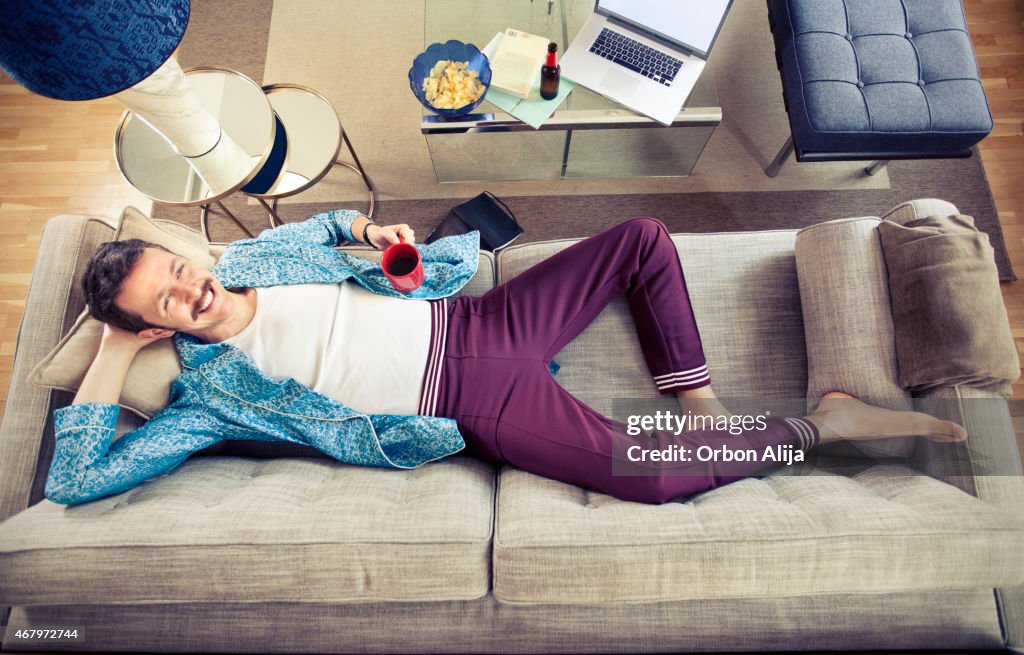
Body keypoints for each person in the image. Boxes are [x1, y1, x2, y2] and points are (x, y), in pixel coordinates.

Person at [46, 210, 967, 506]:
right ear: (156, 326)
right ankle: (823, 424)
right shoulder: (207, 398)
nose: (186, 289)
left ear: (190, 253)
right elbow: (79, 479)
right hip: (464, 400)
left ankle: (696, 402)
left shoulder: (252, 253)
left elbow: (331, 224)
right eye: (160, 303)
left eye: (177, 268)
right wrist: (113, 348)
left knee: (642, 237)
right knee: (642, 478)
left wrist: (370, 228)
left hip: (479, 319)